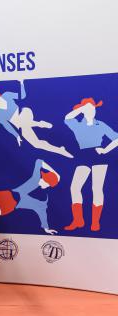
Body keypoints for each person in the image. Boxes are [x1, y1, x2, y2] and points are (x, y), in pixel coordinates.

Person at [64, 98, 118, 232]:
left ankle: (95, 222)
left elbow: (116, 138)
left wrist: (105, 150)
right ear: (82, 111)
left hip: (98, 156)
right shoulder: (77, 124)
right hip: (84, 156)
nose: (92, 110)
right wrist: (82, 108)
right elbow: (67, 118)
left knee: (97, 188)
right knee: (75, 187)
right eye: (89, 108)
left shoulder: (100, 124)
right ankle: (78, 220)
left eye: (93, 108)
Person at [0, 159, 60, 234]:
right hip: (6, 195)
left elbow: (42, 212)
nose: (47, 186)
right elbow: (39, 161)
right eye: (48, 184)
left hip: (9, 205)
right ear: (47, 183)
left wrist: (46, 228)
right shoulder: (35, 180)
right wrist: (54, 172)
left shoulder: (41, 199)